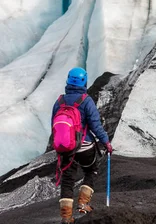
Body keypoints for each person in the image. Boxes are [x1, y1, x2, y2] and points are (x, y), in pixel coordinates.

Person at [52, 67, 112, 224]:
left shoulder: (59, 102)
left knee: (67, 180)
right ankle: (83, 204)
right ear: (84, 81)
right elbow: (96, 126)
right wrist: (106, 142)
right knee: (91, 170)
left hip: (66, 149)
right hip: (85, 147)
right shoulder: (86, 101)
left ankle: (66, 217)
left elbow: (54, 125)